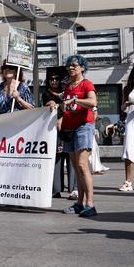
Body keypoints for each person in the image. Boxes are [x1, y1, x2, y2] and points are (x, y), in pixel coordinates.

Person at [52, 54, 98, 217]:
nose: (71, 68)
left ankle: (90, 204)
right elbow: (66, 108)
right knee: (76, 168)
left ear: (82, 68)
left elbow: (93, 102)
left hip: (84, 126)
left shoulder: (86, 84)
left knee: (82, 165)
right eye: (69, 66)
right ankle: (80, 203)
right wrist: (58, 106)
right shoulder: (68, 87)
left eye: (74, 65)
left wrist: (75, 100)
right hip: (69, 129)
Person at [43, 72, 72, 198]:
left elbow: (70, 106)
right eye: (51, 79)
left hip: (69, 126)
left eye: (56, 78)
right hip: (55, 129)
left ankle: (73, 188)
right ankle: (56, 188)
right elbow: (47, 106)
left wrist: (60, 107)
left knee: (71, 157)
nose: (54, 81)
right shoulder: (46, 94)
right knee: (57, 157)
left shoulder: (67, 92)